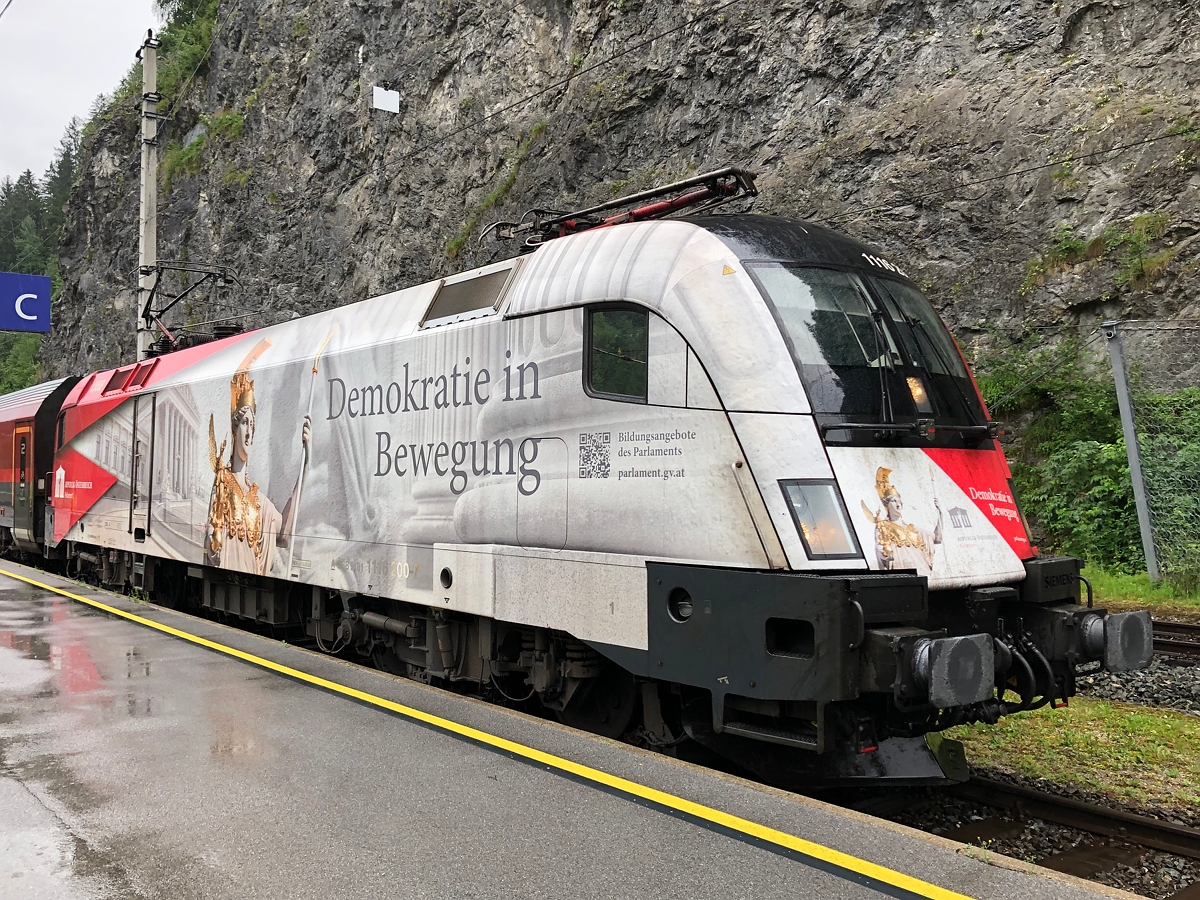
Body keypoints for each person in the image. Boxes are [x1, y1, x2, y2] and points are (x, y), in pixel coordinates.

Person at [204, 340, 310, 576]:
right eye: (244, 423)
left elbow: (283, 534)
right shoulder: (222, 482)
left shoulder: (257, 499)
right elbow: (212, 546)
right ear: (235, 430)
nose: (249, 432)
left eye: (252, 425)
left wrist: (305, 465)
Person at [863, 467, 942, 576]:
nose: (897, 504)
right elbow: (879, 546)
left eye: (899, 501)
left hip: (921, 569)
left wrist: (940, 513)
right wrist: (886, 553)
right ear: (887, 505)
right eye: (893, 501)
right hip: (902, 568)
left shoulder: (912, 529)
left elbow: (937, 538)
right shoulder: (883, 526)